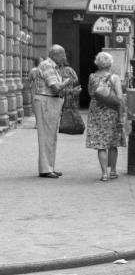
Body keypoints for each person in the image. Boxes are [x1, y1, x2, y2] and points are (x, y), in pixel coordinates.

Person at [33, 45, 76, 178]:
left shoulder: (54, 67)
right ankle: (45, 169)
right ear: (54, 55)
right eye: (62, 55)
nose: (64, 57)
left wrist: (70, 90)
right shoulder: (47, 65)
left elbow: (57, 89)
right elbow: (56, 87)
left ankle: (49, 167)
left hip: (51, 100)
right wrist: (68, 81)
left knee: (51, 137)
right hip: (46, 100)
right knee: (46, 136)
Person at [86, 52, 127, 181]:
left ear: (97, 63)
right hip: (111, 113)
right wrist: (122, 114)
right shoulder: (114, 78)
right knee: (112, 143)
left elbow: (90, 93)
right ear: (110, 63)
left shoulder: (92, 77)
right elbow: (120, 98)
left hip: (96, 112)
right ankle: (113, 171)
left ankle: (104, 173)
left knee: (101, 144)